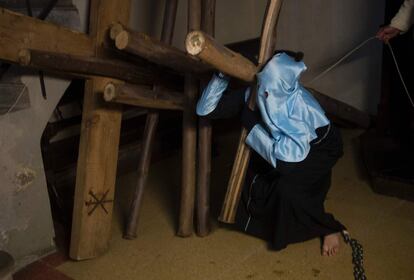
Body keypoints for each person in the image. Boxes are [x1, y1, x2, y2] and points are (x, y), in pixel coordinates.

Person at [196, 52, 345, 256]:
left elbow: (286, 164)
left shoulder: (301, 106)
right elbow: (205, 111)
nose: (267, 97)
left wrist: (252, 125)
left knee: (289, 189)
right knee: (258, 179)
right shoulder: (254, 92)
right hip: (283, 151)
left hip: (320, 150)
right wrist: (223, 74)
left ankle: (329, 226)